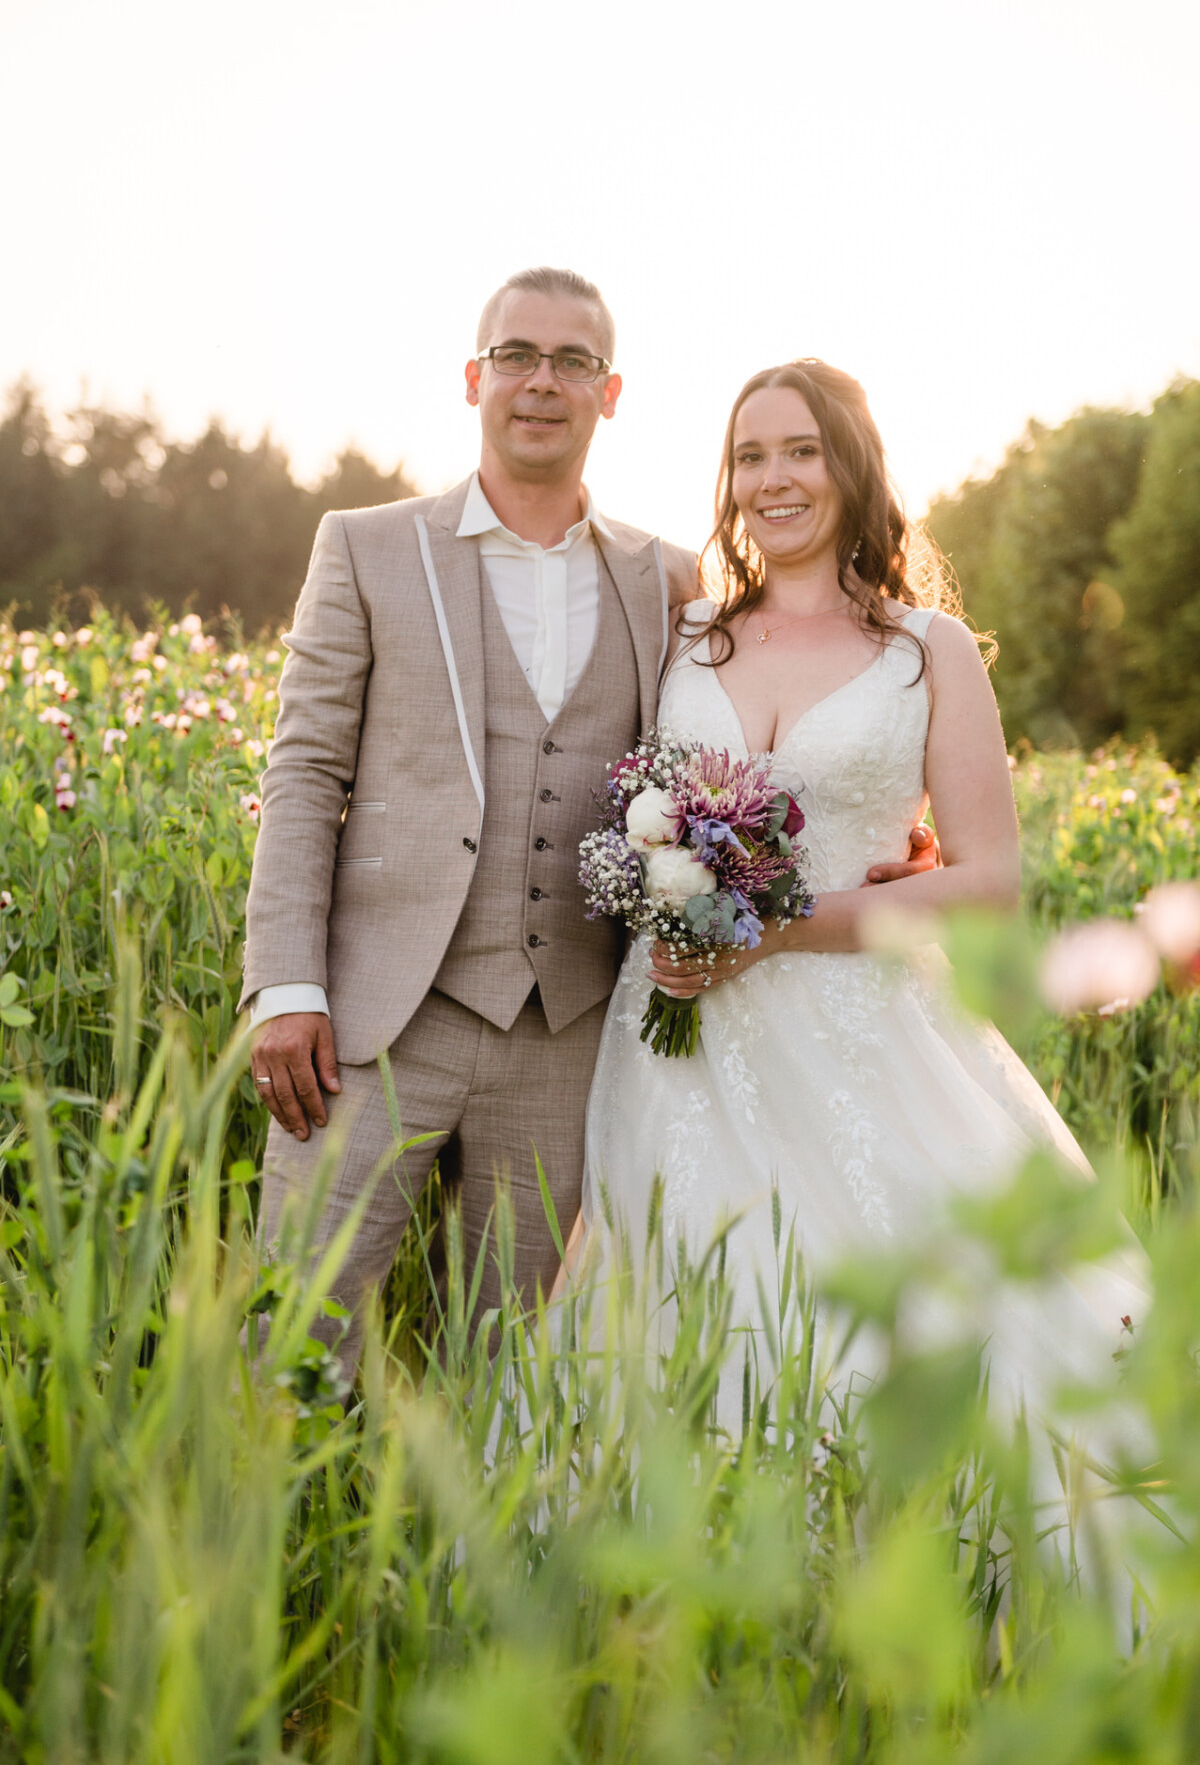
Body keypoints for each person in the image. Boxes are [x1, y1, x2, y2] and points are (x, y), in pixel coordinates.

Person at [241, 289, 935, 1387]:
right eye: (515, 354)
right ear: (474, 377)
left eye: (574, 362)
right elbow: (304, 767)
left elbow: (748, 758)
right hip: (373, 1025)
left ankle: (448, 1555)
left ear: (610, 397)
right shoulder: (368, 548)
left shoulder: (670, 585)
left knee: (510, 1372)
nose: (542, 381)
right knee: (289, 1342)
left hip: (570, 1038)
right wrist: (285, 988)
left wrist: (893, 847)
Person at [577, 358, 1149, 1438]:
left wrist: (775, 927)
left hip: (870, 1039)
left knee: (899, 1332)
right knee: (682, 1322)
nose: (772, 478)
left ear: (852, 465)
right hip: (678, 1047)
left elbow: (990, 882)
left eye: (801, 449)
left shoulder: (925, 652)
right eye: (750, 455)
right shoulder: (685, 636)